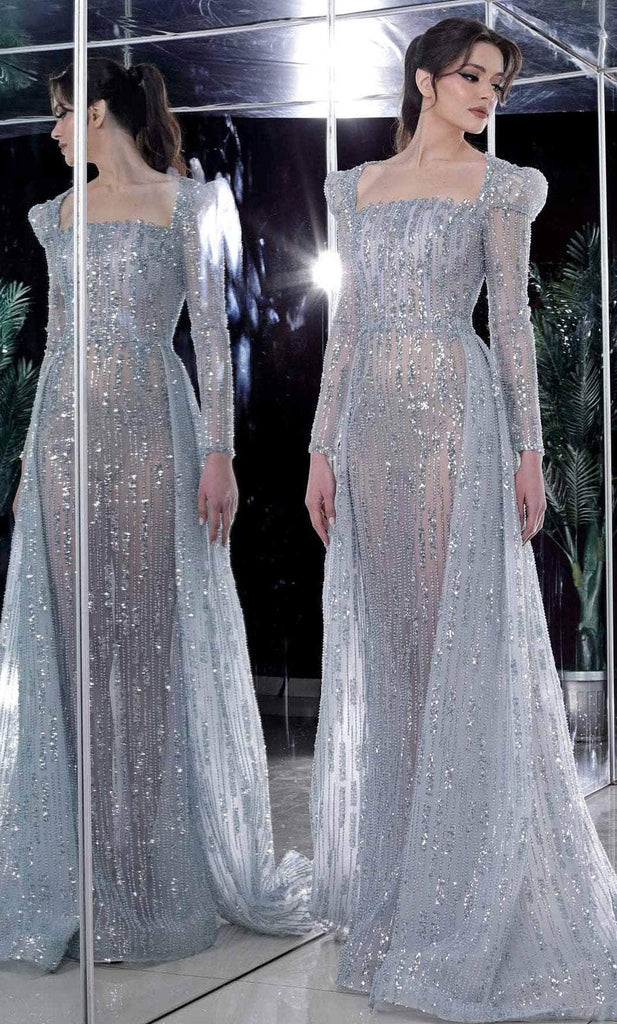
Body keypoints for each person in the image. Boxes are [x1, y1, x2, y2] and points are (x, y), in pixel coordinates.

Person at [305, 15, 617, 1021]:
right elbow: (346, 322)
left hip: (454, 415)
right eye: (474, 77)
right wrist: (318, 447)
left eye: (498, 84)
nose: (487, 94)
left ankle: (468, 896)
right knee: (395, 656)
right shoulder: (352, 188)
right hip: (370, 429)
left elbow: (513, 322)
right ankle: (405, 889)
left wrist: (529, 451)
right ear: (425, 79)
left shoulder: (500, 186)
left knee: (455, 651)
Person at [0, 56, 312, 972]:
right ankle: (79, 874)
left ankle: (144, 868)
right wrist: (29, 460)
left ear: (97, 111)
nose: (55, 132)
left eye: (62, 113)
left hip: (151, 430)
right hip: (65, 438)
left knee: (141, 650)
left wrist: (219, 454)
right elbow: (57, 340)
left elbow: (212, 338)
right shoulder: (56, 215)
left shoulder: (186, 203)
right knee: (72, 650)